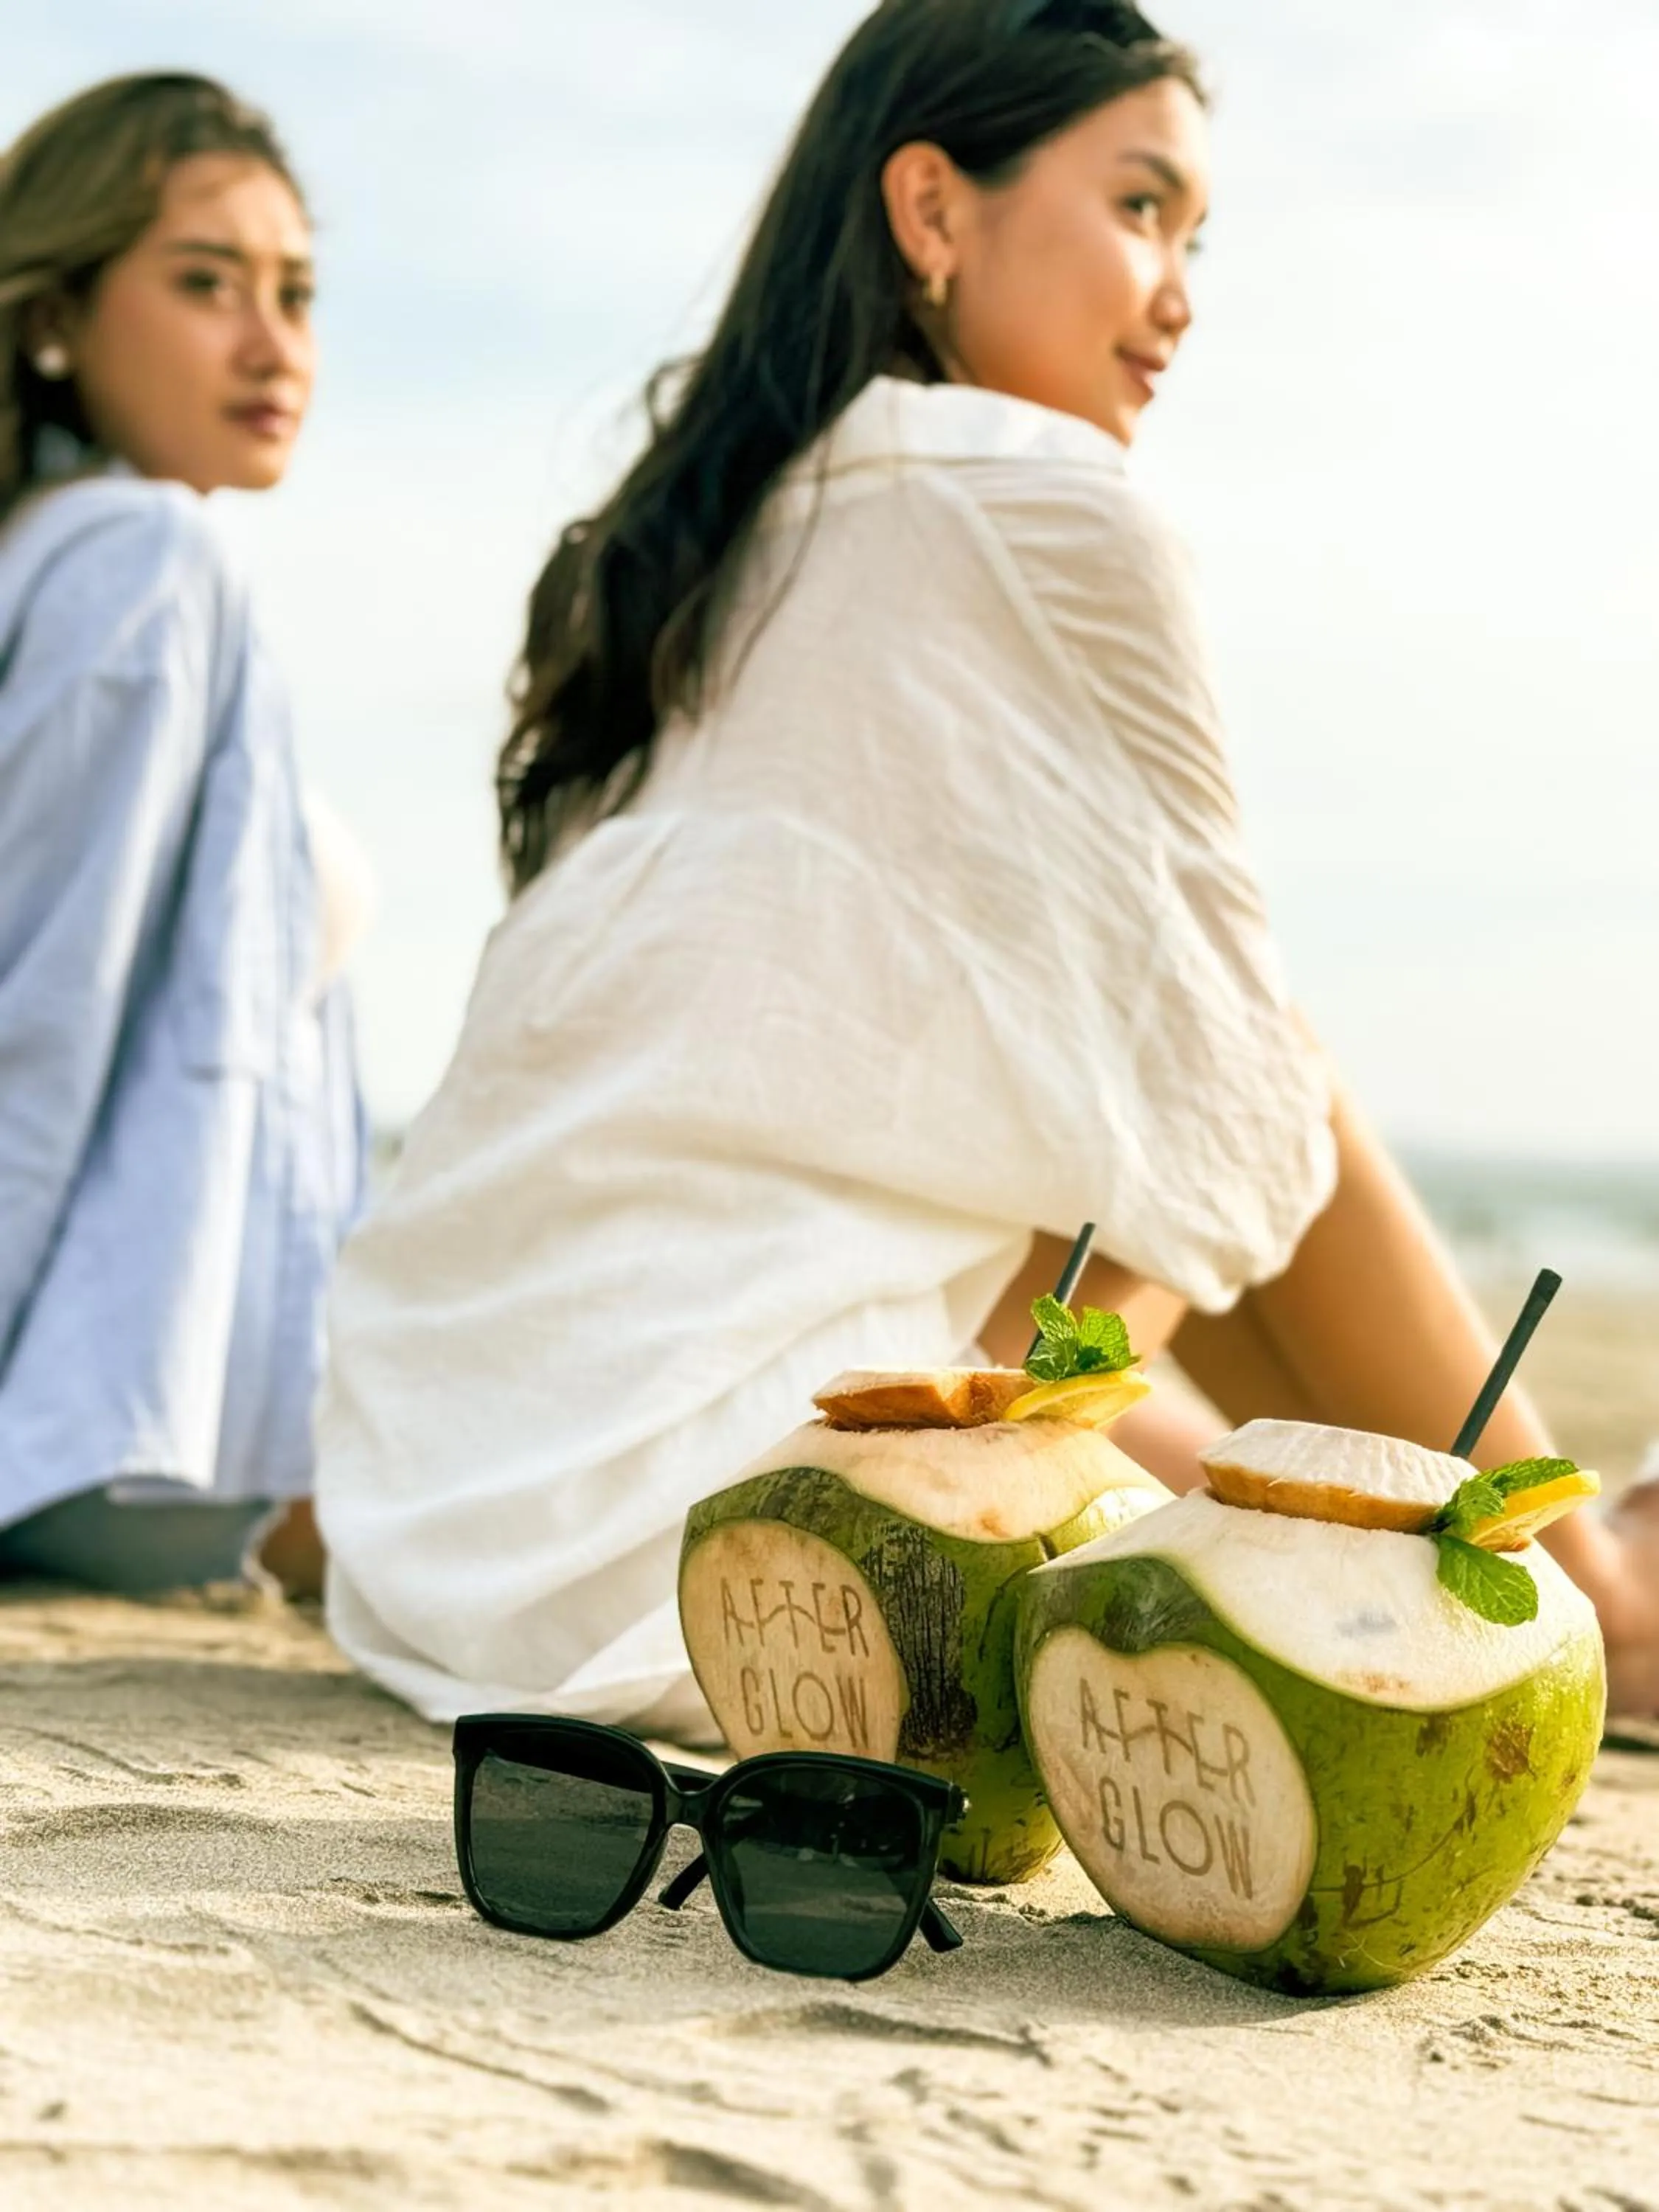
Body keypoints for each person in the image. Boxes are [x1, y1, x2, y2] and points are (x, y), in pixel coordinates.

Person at [316, 0, 1659, 1722]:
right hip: (793, 1533)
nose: (1179, 295)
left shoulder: (689, 554)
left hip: (467, 1522)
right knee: (1245, 1063)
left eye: (1193, 236)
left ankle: (1539, 1560)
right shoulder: (1047, 504)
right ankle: (1584, 1584)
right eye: (1139, 206)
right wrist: (1056, 1388)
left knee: (1115, 1096)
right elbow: (1237, 1104)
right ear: (934, 210)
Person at [0, 74, 371, 1597]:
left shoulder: (68, 551)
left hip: (128, 1433)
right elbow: (42, 1014)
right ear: (55, 316)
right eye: (207, 284)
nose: (273, 346)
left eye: (296, 293)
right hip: (106, 1442)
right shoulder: (142, 559)